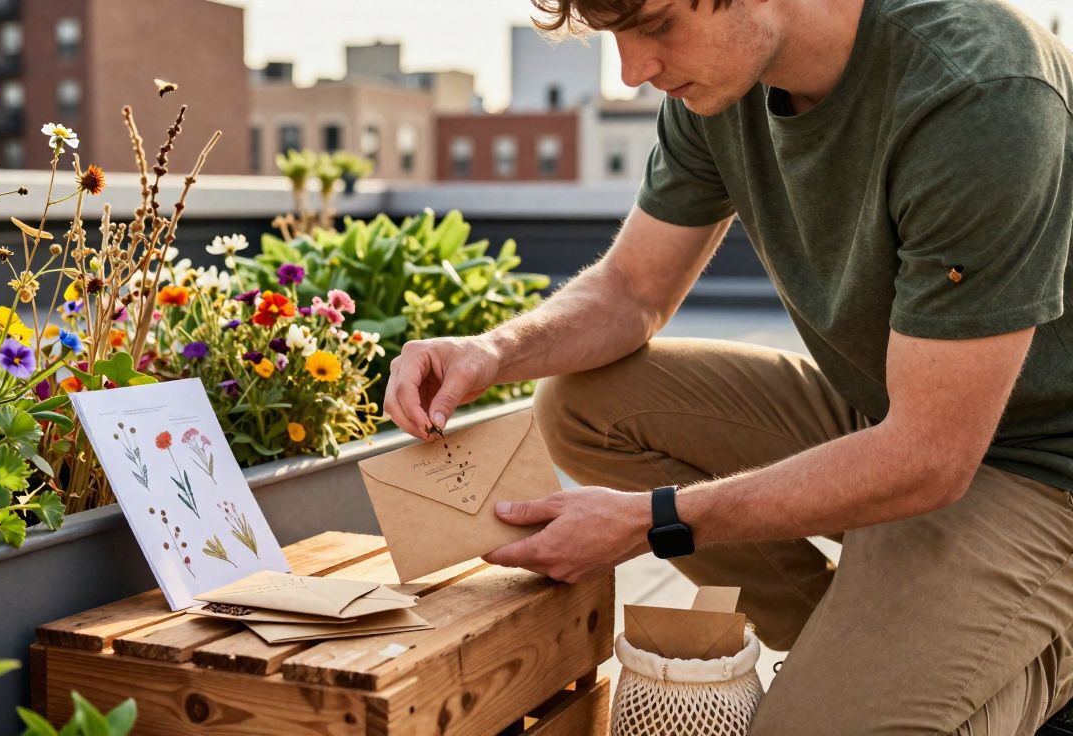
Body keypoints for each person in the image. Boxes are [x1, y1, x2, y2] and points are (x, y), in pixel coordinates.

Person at [383, 0, 1073, 732]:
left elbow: (930, 459)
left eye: (654, 23)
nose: (633, 70)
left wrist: (654, 523)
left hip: (1039, 467)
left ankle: (1031, 652)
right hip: (895, 411)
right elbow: (631, 290)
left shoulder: (977, 93)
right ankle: (854, 647)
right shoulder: (723, 85)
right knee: (586, 403)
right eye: (616, 35)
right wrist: (494, 350)